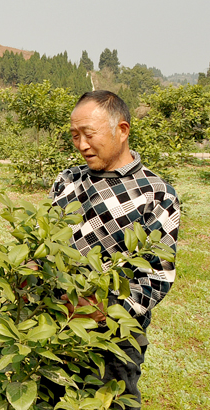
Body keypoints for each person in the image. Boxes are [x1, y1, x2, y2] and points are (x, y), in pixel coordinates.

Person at [49, 90, 180, 404]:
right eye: (74, 136)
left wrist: (99, 309)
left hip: (114, 338)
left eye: (89, 135)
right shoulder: (67, 181)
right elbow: (48, 244)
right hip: (54, 324)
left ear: (122, 130)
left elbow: (156, 277)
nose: (81, 145)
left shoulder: (156, 193)